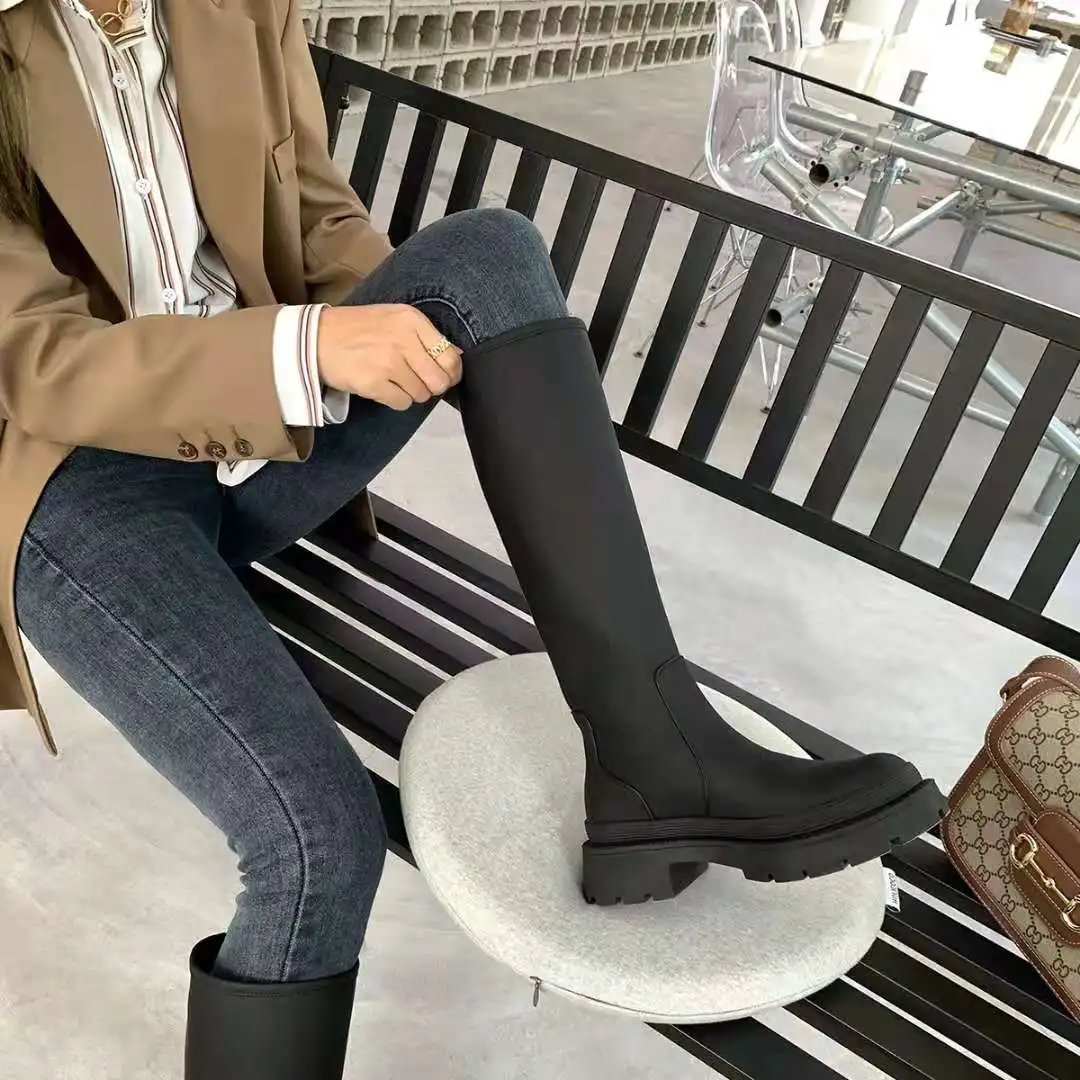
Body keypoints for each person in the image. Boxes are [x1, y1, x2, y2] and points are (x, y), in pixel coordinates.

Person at [0, 0, 944, 1076]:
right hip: (81, 487)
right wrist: (307, 349)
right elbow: (32, 359)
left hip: (264, 443)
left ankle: (655, 764)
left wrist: (410, 329)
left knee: (489, 255)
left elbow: (316, 214)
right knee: (317, 841)